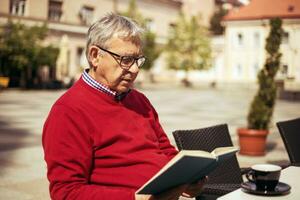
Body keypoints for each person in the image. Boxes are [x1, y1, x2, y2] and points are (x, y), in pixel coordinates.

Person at [42, 13, 206, 200]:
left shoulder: (139, 100)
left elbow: (165, 150)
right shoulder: (68, 112)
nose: (135, 69)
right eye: (126, 60)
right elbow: (66, 192)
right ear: (95, 56)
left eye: (138, 60)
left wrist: (187, 178)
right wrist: (134, 199)